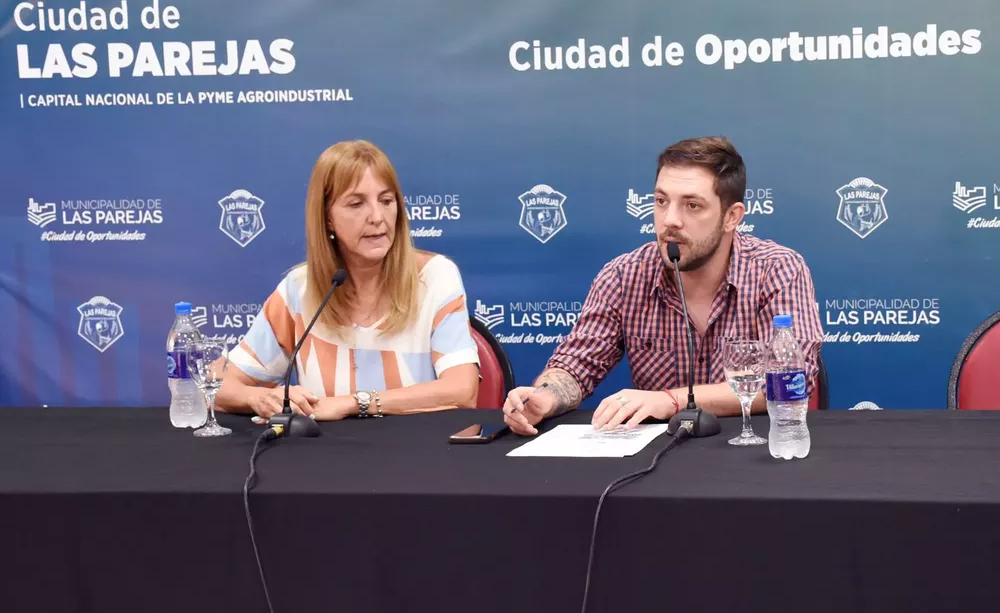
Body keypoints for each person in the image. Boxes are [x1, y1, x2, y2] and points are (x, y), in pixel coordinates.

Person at [503, 136, 823, 435]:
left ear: (732, 217)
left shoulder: (777, 269)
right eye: (661, 201)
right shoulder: (623, 276)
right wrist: (545, 397)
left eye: (692, 205)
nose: (670, 219)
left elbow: (787, 381)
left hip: (753, 451)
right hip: (657, 459)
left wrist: (669, 400)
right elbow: (576, 365)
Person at [216, 140, 480, 421]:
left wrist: (355, 403)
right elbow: (217, 384)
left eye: (386, 201)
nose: (377, 217)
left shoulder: (435, 278)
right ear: (327, 217)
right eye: (356, 204)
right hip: (326, 448)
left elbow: (462, 391)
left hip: (418, 445)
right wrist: (259, 398)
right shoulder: (299, 288)